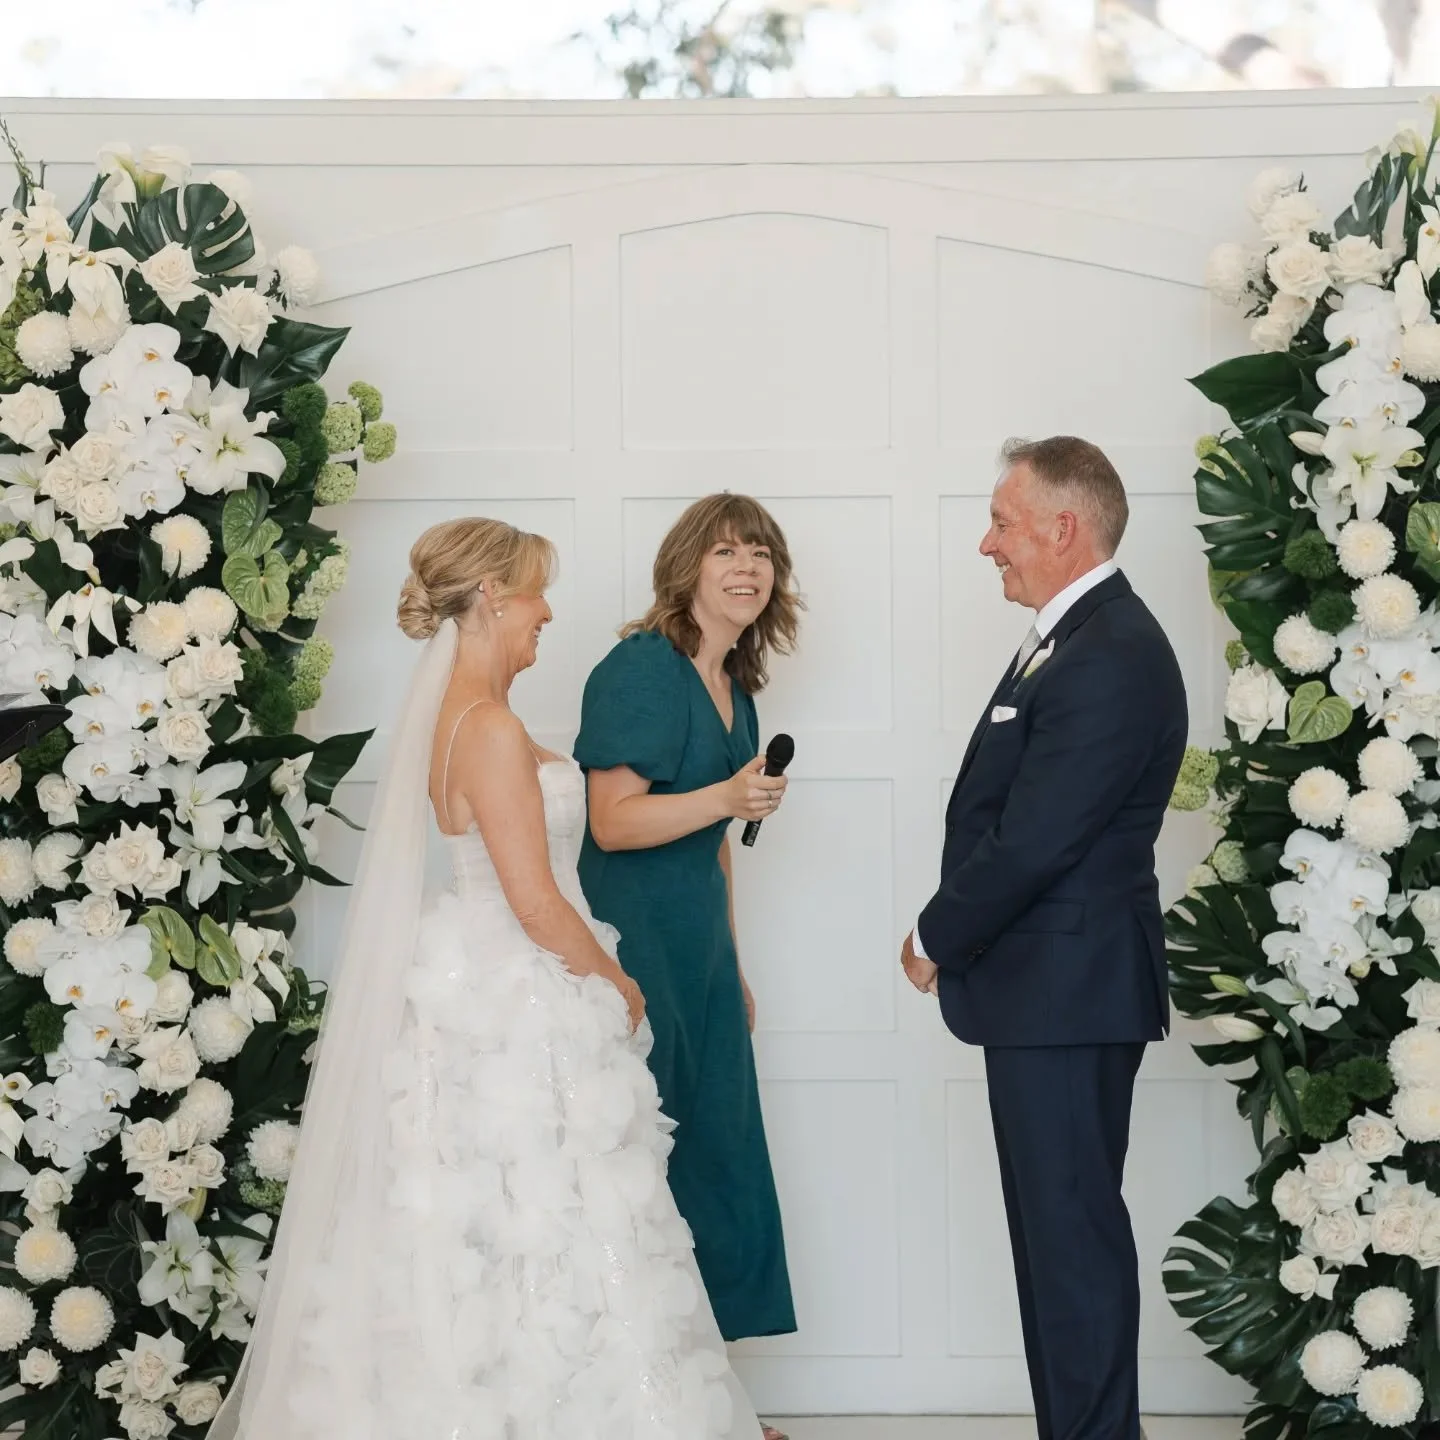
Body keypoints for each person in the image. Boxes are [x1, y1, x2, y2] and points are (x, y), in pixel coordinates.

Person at [210, 516, 762, 1440]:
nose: (549, 613)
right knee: (545, 1199)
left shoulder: (460, 718)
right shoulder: (491, 728)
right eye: (537, 593)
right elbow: (535, 900)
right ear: (495, 597)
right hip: (518, 993)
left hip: (481, 980)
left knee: (505, 1207)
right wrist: (618, 984)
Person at [902, 437, 1186, 1440]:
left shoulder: (1110, 650)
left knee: (1070, 1247)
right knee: (1056, 1245)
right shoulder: (1075, 636)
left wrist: (937, 932)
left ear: (1063, 528)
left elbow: (1038, 837)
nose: (989, 544)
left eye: (1004, 523)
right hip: (1050, 990)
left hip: (1067, 991)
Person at [574, 496, 801, 1398]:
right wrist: (723, 801)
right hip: (636, 949)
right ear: (687, 566)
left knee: (716, 1160)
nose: (747, 569)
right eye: (726, 552)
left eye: (761, 555)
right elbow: (612, 822)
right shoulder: (642, 669)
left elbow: (716, 842)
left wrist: (733, 964)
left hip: (700, 952)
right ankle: (633, 1398)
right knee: (642, 1167)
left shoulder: (733, 684)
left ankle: (698, 1397)